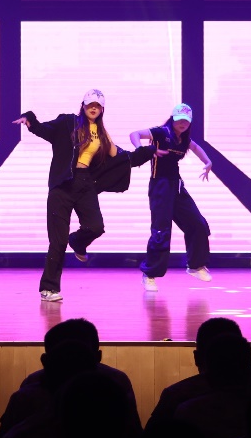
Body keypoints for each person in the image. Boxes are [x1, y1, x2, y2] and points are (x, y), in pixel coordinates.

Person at [15, 90, 152, 302]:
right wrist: (30, 119)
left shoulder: (102, 133)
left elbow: (122, 158)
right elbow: (45, 130)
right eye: (90, 104)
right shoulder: (67, 122)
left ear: (102, 109)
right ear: (83, 106)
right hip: (63, 184)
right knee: (58, 241)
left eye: (97, 105)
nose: (93, 108)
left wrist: (148, 152)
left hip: (85, 182)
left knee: (95, 227)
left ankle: (77, 242)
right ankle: (49, 288)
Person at [129, 103, 215, 292]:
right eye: (180, 119)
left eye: (186, 121)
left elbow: (195, 147)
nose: (183, 123)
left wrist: (208, 161)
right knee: (161, 231)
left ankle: (196, 266)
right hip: (160, 186)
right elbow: (134, 134)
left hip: (177, 186)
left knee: (198, 224)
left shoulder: (184, 138)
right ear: (173, 118)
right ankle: (149, 274)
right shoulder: (161, 132)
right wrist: (142, 150)